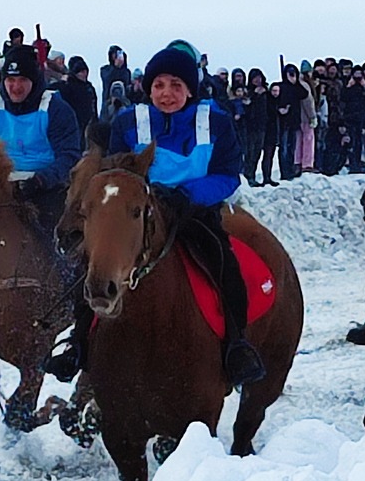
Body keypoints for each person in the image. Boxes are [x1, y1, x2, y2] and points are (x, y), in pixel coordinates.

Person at [44, 43, 265, 389]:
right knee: (94, 262)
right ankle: (79, 343)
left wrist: (188, 195)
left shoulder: (215, 122)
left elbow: (227, 175)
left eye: (176, 85)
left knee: (222, 260)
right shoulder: (129, 122)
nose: (167, 93)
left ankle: (236, 344)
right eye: (159, 85)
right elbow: (116, 172)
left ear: (190, 89)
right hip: (137, 213)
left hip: (194, 212)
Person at [0, 44, 83, 255]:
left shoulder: (55, 108)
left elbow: (69, 156)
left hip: (45, 187)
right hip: (1, 185)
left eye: (23, 80)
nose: (16, 87)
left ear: (34, 80)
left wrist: (42, 180)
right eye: (10, 80)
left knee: (48, 241)